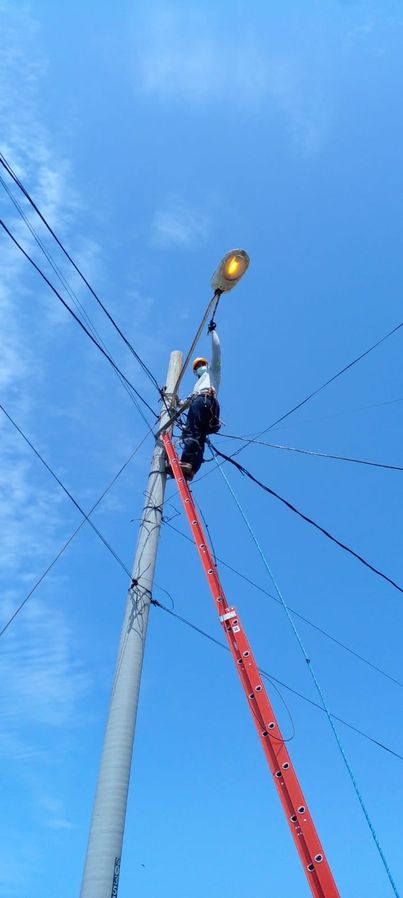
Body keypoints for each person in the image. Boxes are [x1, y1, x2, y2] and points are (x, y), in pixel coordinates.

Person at [179, 323, 221, 480]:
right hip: (206, 405)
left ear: (207, 365)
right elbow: (186, 402)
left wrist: (213, 332)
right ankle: (192, 467)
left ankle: (186, 461)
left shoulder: (212, 373)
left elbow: (217, 351)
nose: (200, 367)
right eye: (198, 366)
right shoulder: (197, 386)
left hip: (205, 401)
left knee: (192, 429)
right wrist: (175, 402)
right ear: (195, 372)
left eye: (202, 364)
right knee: (199, 436)